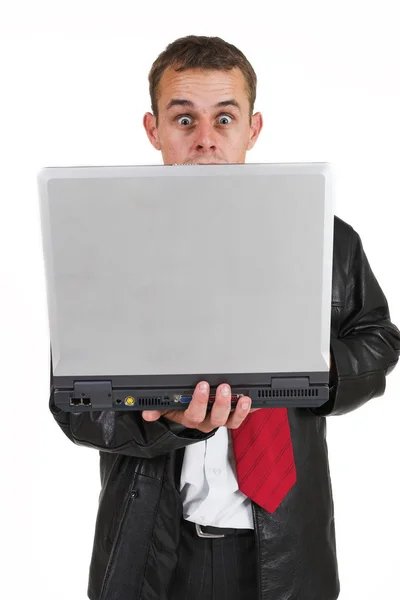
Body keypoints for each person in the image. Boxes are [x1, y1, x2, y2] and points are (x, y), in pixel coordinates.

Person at [49, 35, 400, 600]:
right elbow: (74, 406)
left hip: (286, 550)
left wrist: (305, 367)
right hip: (153, 551)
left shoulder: (324, 239)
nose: (206, 140)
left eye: (225, 118)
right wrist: (159, 418)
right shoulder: (108, 250)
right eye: (184, 119)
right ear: (153, 129)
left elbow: (379, 339)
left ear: (253, 129)